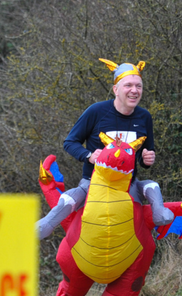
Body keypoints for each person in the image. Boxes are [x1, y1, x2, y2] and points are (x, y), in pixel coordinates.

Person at [37, 58, 173, 241]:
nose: (134, 91)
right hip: (93, 183)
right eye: (128, 86)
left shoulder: (144, 117)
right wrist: (89, 155)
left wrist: (147, 159)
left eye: (138, 86)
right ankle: (45, 225)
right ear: (116, 89)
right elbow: (70, 142)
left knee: (137, 225)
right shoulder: (96, 112)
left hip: (127, 185)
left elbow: (144, 154)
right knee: (73, 198)